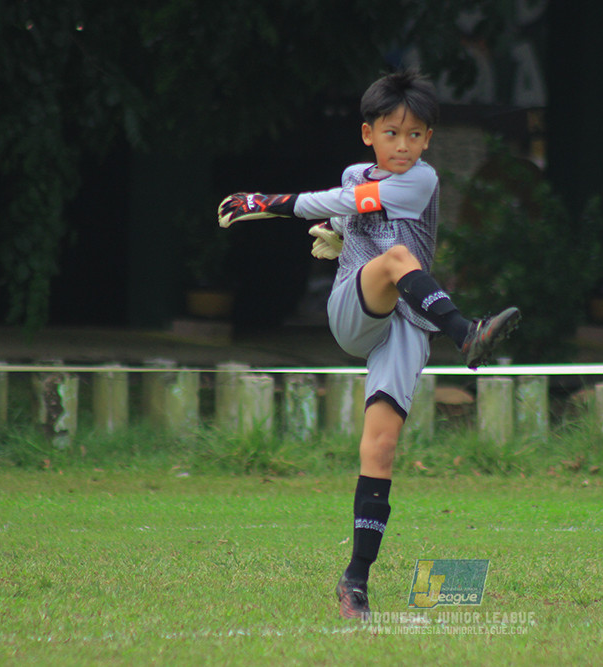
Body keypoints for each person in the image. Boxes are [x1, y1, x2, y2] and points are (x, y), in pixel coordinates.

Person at [216, 70, 521, 621]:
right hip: (354, 311)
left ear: (429, 140)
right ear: (368, 133)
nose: (403, 145)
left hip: (407, 328)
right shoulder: (358, 172)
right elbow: (345, 204)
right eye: (391, 133)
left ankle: (355, 580)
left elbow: (346, 201)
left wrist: (267, 202)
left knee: (379, 449)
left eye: (415, 134)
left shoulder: (421, 180)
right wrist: (335, 231)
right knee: (395, 260)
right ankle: (466, 334)